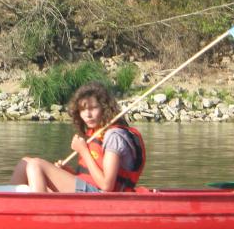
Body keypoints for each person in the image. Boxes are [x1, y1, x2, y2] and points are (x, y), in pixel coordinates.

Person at [9, 82, 145, 192]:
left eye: (93, 108)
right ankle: (9, 210)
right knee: (24, 163)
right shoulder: (96, 132)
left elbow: (106, 186)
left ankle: (38, 216)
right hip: (89, 189)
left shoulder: (114, 136)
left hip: (102, 198)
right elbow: (89, 177)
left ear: (105, 108)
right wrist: (66, 172)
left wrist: (83, 151)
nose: (88, 114)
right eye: (83, 110)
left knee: (35, 165)